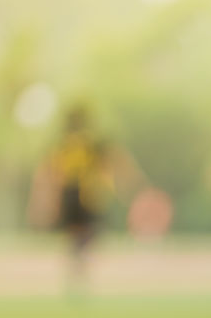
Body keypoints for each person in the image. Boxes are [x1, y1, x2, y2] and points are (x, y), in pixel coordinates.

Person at [28, 105, 153, 298]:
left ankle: (77, 265)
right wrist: (131, 184)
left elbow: (48, 173)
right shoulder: (92, 142)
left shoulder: (63, 143)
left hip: (72, 194)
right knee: (87, 233)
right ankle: (79, 264)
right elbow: (116, 162)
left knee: (78, 235)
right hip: (86, 194)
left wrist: (45, 202)